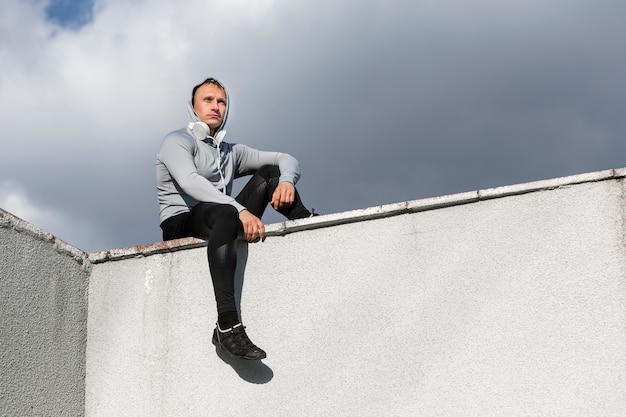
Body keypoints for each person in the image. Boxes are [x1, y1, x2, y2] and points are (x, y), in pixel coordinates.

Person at [156, 77, 315, 360]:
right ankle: (227, 326)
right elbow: (191, 182)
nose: (216, 106)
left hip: (223, 219)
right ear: (193, 107)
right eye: (208, 100)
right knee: (228, 212)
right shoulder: (177, 141)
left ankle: (306, 227)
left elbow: (285, 158)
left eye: (222, 102)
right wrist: (241, 210)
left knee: (269, 173)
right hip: (182, 221)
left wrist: (287, 182)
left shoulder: (230, 151)